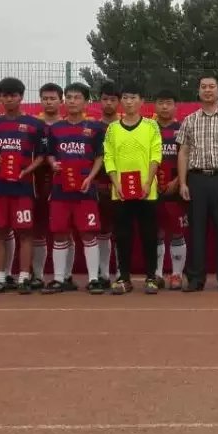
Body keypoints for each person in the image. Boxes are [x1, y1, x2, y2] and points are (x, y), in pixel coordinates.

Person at [176, 74, 218, 293]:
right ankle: (195, 278)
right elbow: (183, 152)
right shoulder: (190, 120)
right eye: (203, 86)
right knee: (196, 230)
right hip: (196, 179)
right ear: (198, 91)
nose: (207, 90)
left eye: (211, 86)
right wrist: (183, 183)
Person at [0, 77, 48, 294]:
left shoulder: (35, 125)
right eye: (5, 95)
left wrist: (28, 170)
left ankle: (24, 277)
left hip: (23, 188)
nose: (9, 99)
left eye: (13, 95)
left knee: (25, 232)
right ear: (0, 98)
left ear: (21, 97)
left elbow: (42, 156)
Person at [45, 82, 107, 294]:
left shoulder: (95, 129)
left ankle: (94, 279)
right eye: (69, 97)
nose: (72, 101)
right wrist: (53, 164)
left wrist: (90, 177)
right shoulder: (55, 129)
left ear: (86, 102)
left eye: (77, 97)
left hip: (85, 190)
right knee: (60, 234)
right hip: (60, 190)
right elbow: (50, 154)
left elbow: (100, 157)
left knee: (88, 234)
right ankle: (60, 279)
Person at [103, 83, 162, 295]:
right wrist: (116, 183)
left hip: (147, 192)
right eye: (126, 98)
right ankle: (124, 278)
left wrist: (148, 182)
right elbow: (109, 157)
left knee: (149, 235)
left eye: (133, 97)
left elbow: (156, 155)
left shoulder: (151, 126)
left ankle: (151, 277)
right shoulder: (113, 128)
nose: (129, 102)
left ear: (141, 101)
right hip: (120, 192)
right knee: (122, 236)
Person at [32, 82, 66, 290]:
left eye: (53, 98)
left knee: (64, 230)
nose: (49, 102)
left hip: (63, 181)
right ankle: (37, 275)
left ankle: (65, 276)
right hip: (36, 181)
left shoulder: (67, 125)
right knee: (38, 229)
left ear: (61, 101)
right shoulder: (34, 125)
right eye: (45, 98)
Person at [152, 90, 187, 289]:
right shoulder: (148, 128)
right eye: (160, 102)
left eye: (168, 103)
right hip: (152, 188)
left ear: (175, 106)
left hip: (176, 189)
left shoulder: (182, 129)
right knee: (156, 231)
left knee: (177, 232)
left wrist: (178, 181)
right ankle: (157, 274)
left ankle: (176, 275)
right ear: (154, 105)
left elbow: (189, 157)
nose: (164, 106)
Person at [95, 81, 120, 287]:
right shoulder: (93, 128)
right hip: (98, 187)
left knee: (121, 229)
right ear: (99, 101)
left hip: (123, 187)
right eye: (105, 99)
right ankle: (103, 274)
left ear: (119, 102)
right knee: (102, 231)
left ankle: (122, 273)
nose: (109, 103)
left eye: (113, 99)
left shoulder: (125, 127)